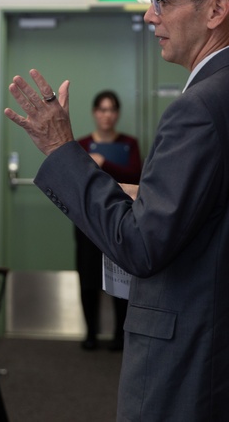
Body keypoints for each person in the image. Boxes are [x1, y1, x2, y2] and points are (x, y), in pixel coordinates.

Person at [4, 0, 229, 421]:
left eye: (162, 0)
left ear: (216, 10)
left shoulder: (199, 108)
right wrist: (145, 194)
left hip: (195, 369)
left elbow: (140, 247)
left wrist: (63, 150)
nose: (150, 16)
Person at [74, 90, 142, 351]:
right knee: (88, 277)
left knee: (122, 277)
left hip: (122, 220)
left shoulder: (130, 144)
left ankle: (118, 336)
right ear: (94, 113)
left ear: (117, 114)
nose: (107, 115)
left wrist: (104, 163)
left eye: (111, 109)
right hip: (88, 222)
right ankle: (90, 333)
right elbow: (79, 181)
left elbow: (136, 175)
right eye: (102, 109)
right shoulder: (82, 145)